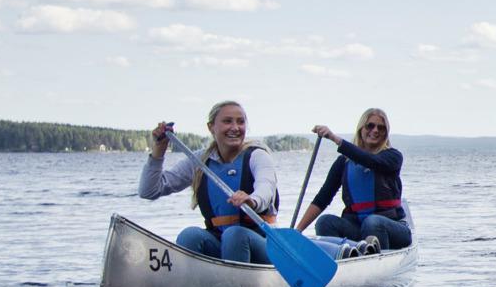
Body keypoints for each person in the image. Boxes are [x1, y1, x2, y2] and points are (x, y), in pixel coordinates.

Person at [139, 99, 280, 263]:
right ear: (211, 127)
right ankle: (194, 286)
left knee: (235, 234)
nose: (235, 127)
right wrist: (159, 150)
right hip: (222, 244)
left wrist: (252, 200)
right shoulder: (200, 160)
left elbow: (266, 188)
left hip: (264, 246)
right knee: (189, 235)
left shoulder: (257, 156)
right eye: (227, 121)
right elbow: (149, 191)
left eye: (240, 122)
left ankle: (234, 286)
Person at [295, 107, 412, 252]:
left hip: (393, 229)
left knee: (372, 222)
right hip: (358, 229)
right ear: (361, 129)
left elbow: (371, 161)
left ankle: (376, 258)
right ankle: (346, 256)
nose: (375, 130)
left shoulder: (393, 157)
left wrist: (336, 139)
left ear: (386, 133)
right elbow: (322, 199)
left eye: (381, 128)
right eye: (370, 125)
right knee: (325, 222)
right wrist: (297, 231)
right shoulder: (343, 163)